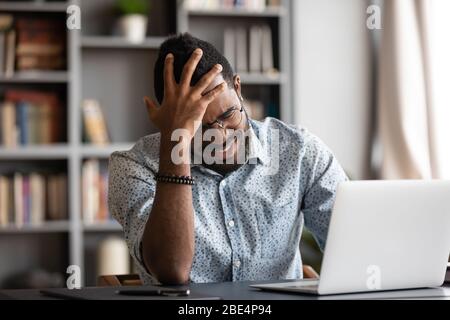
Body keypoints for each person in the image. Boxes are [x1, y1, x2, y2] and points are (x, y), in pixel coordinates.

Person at [108, 33, 347, 285]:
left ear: (239, 88)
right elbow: (172, 270)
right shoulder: (135, 166)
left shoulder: (298, 152)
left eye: (228, 114)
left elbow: (357, 245)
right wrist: (175, 141)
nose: (220, 136)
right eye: (199, 126)